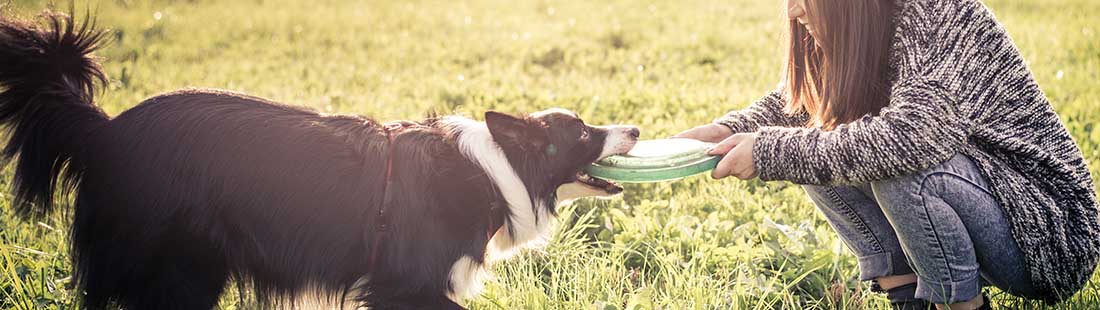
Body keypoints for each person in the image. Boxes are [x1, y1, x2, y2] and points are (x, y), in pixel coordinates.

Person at [674, 0, 1100, 309]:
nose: (793, 11)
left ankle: (958, 307)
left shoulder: (937, 13)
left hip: (1047, 231)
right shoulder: (870, 21)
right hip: (983, 205)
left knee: (900, 170)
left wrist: (770, 151)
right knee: (809, 141)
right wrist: (731, 130)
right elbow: (807, 106)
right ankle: (906, 298)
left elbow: (913, 138)